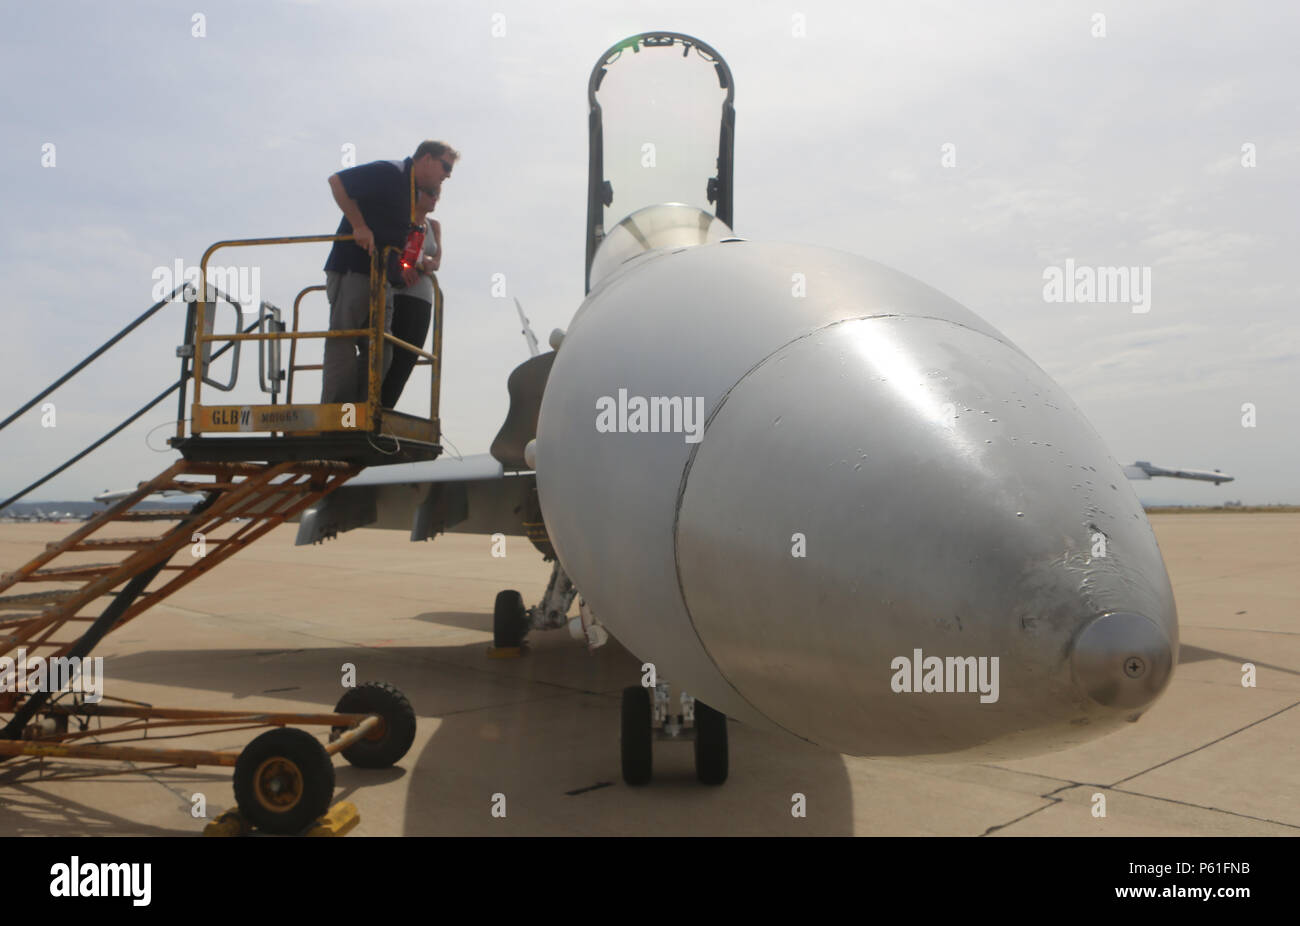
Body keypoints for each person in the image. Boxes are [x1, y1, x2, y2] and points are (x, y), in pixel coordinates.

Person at [320, 140, 458, 406]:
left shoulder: (410, 190)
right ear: (427, 158)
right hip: (355, 268)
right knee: (344, 338)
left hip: (381, 277)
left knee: (382, 347)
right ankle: (337, 413)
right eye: (446, 166)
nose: (447, 175)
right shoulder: (390, 172)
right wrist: (359, 226)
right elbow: (337, 182)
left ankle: (362, 410)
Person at [382, 185, 442, 408]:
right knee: (390, 353)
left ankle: (388, 406)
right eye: (430, 193)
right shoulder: (402, 220)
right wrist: (413, 264)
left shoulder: (433, 226)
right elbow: (393, 253)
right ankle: (377, 405)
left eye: (437, 194)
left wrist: (426, 264)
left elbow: (437, 260)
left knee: (409, 356)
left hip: (423, 295)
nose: (434, 198)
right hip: (399, 292)